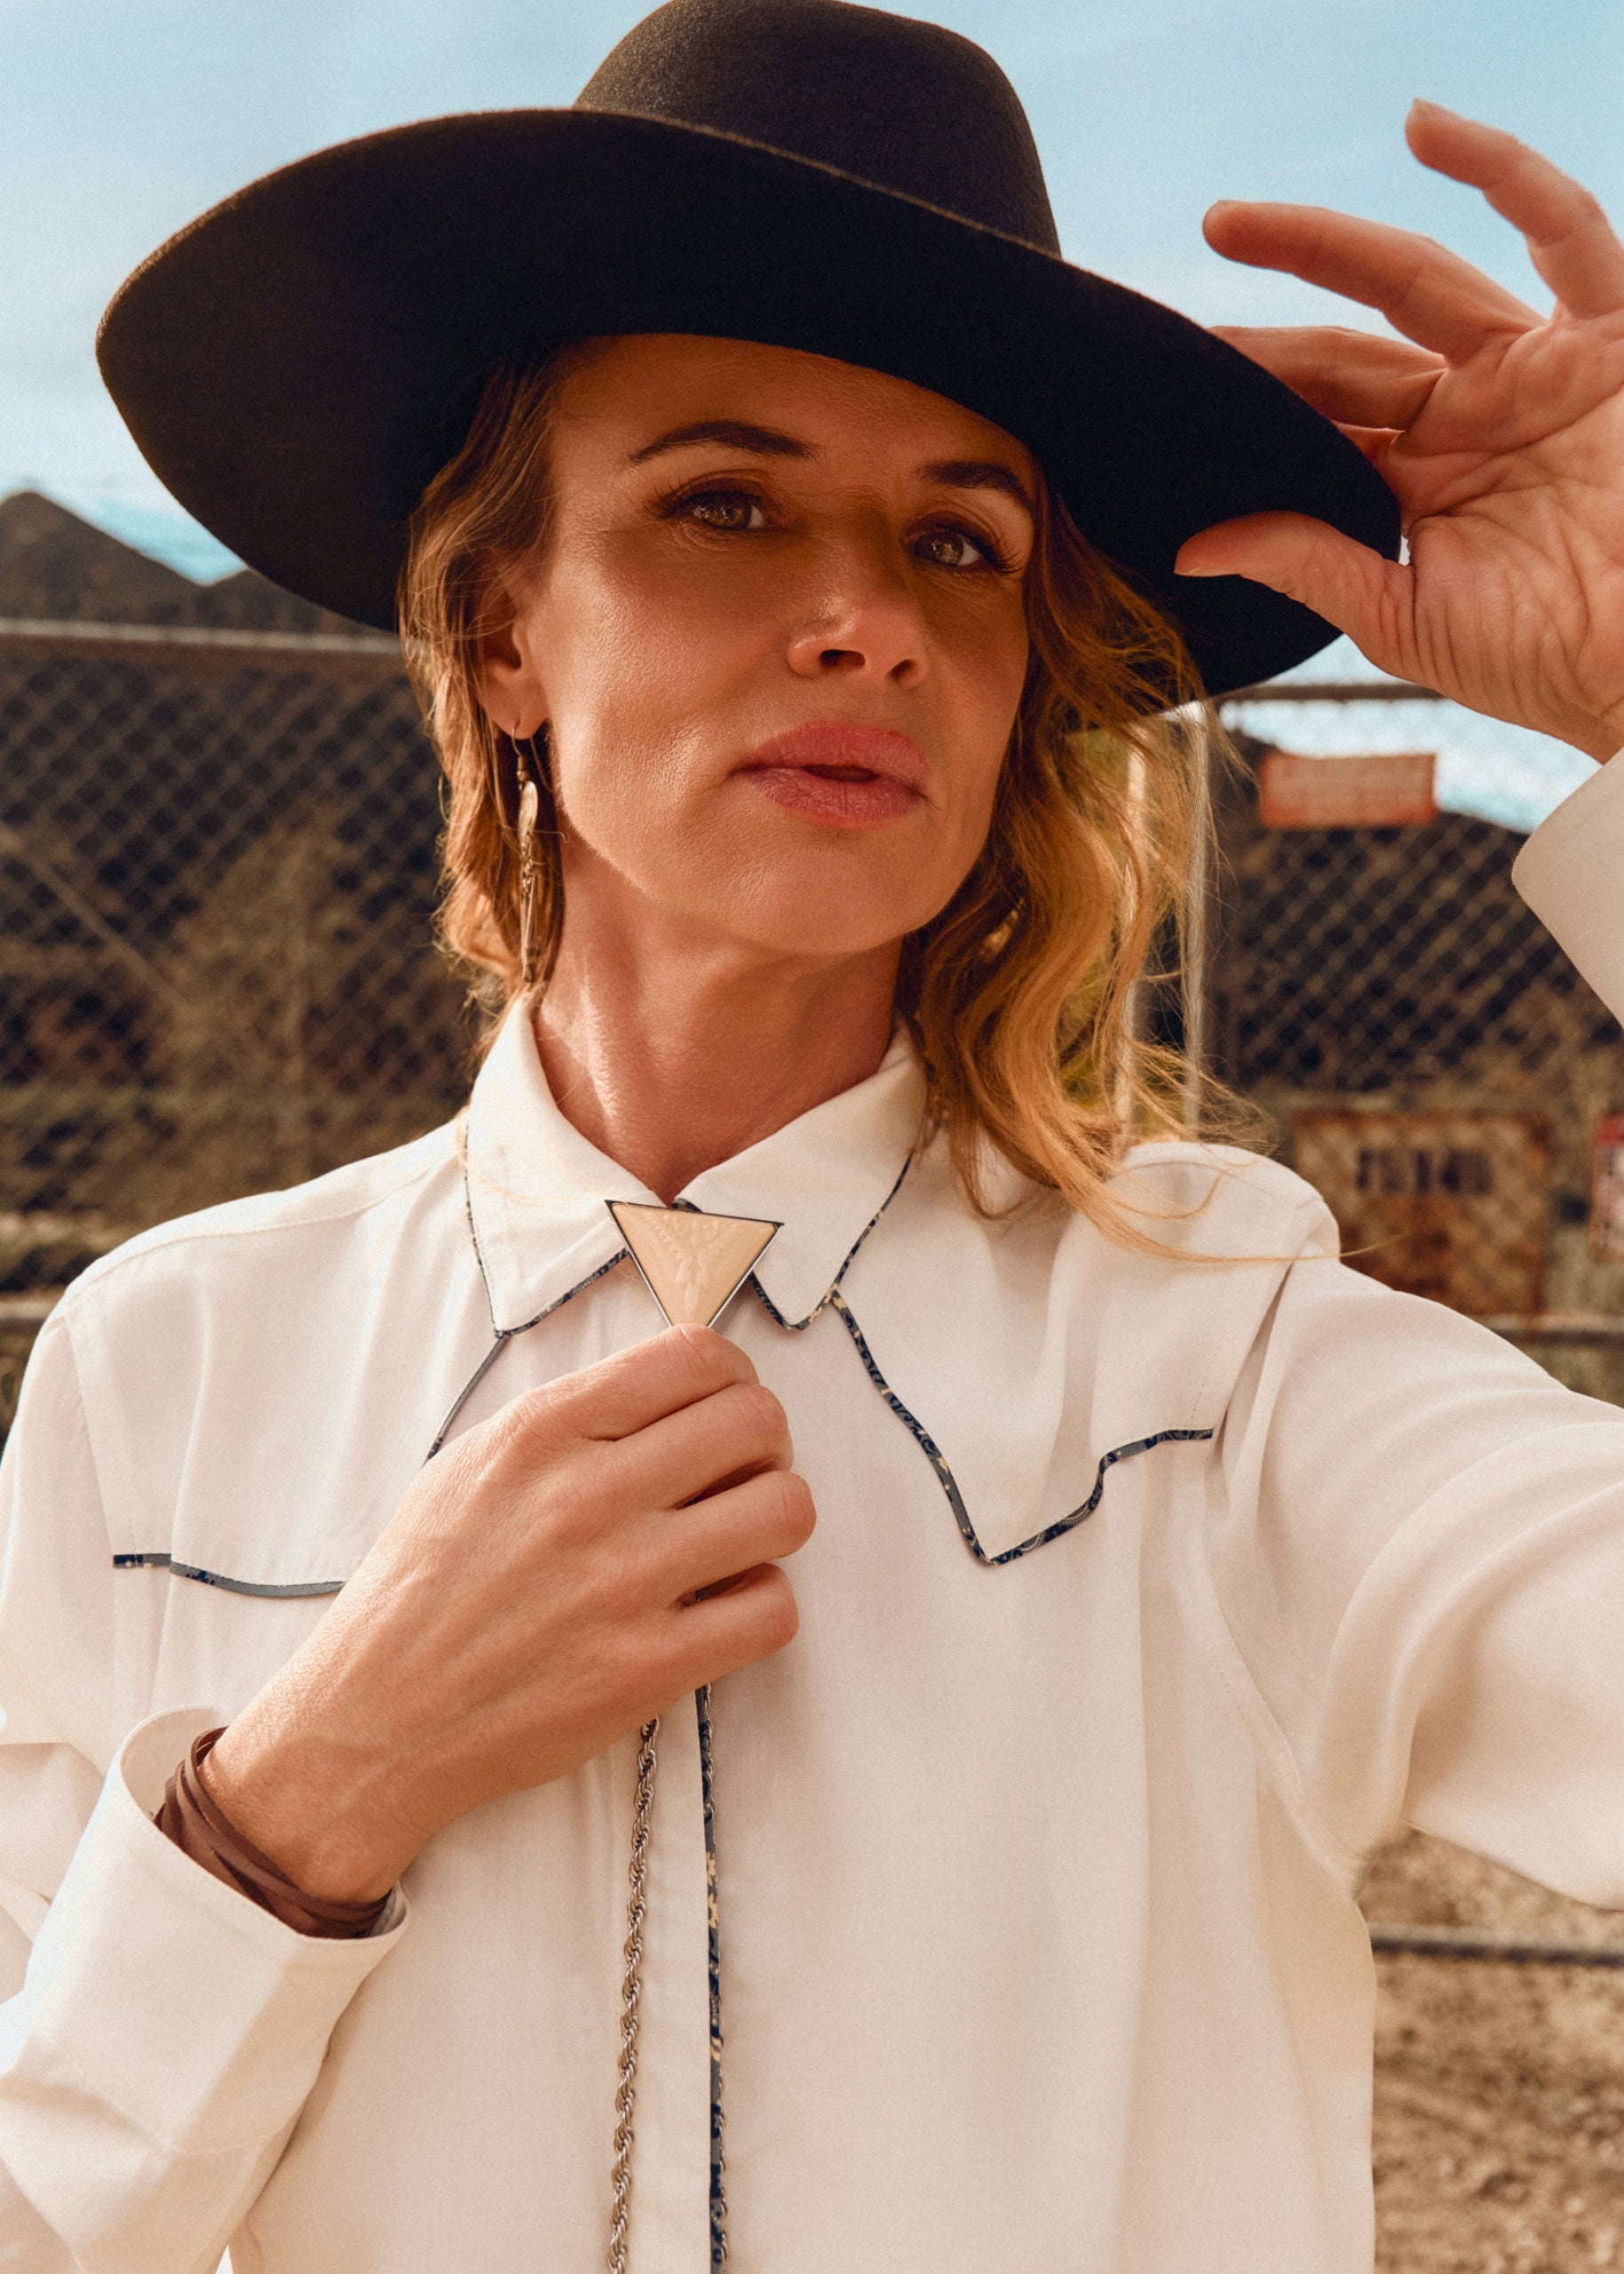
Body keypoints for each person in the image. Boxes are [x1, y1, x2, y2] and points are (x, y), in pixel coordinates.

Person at [2, 2, 1623, 2268]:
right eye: (727, 505)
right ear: (496, 629)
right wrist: (302, 1797)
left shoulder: (1230, 1366)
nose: (864, 621)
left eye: (962, 550)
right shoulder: (160, 1370)